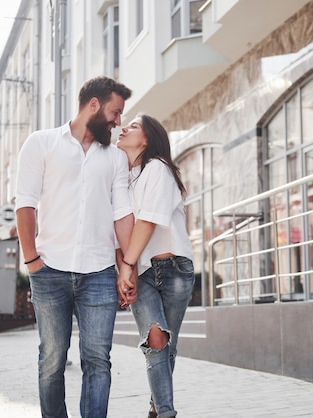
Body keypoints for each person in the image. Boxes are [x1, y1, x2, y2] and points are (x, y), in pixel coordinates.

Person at [15, 76, 135, 418]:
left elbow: (122, 214)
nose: (118, 121)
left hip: (98, 273)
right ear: (93, 105)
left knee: (98, 359)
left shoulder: (114, 158)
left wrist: (129, 268)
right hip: (49, 270)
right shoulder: (41, 144)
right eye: (114, 112)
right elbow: (25, 205)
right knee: (52, 359)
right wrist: (32, 261)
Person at [116, 114, 195, 418]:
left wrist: (126, 266)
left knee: (166, 347)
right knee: (156, 341)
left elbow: (148, 221)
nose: (124, 129)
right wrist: (124, 272)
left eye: (133, 126)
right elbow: (118, 231)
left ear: (147, 139)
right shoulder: (124, 181)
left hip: (173, 268)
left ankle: (155, 406)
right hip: (142, 273)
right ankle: (165, 412)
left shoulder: (158, 168)